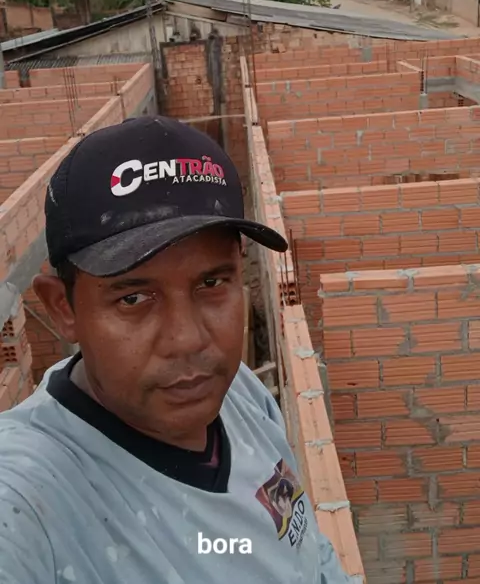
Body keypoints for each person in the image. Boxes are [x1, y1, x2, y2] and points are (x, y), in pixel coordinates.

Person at [0, 116, 355, 584]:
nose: (187, 339)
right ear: (63, 307)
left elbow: (308, 548)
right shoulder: (31, 500)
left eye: (212, 283)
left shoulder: (240, 393)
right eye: (133, 299)